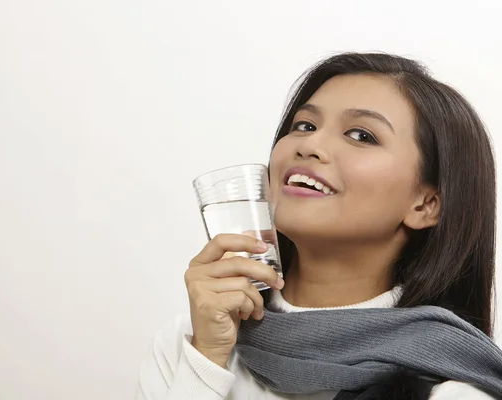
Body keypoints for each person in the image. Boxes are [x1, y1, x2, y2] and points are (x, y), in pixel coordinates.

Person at [136, 52, 502, 399]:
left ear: (426, 204)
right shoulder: (189, 346)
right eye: (304, 125)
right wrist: (206, 363)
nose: (310, 143)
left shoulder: (451, 390)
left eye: (361, 135)